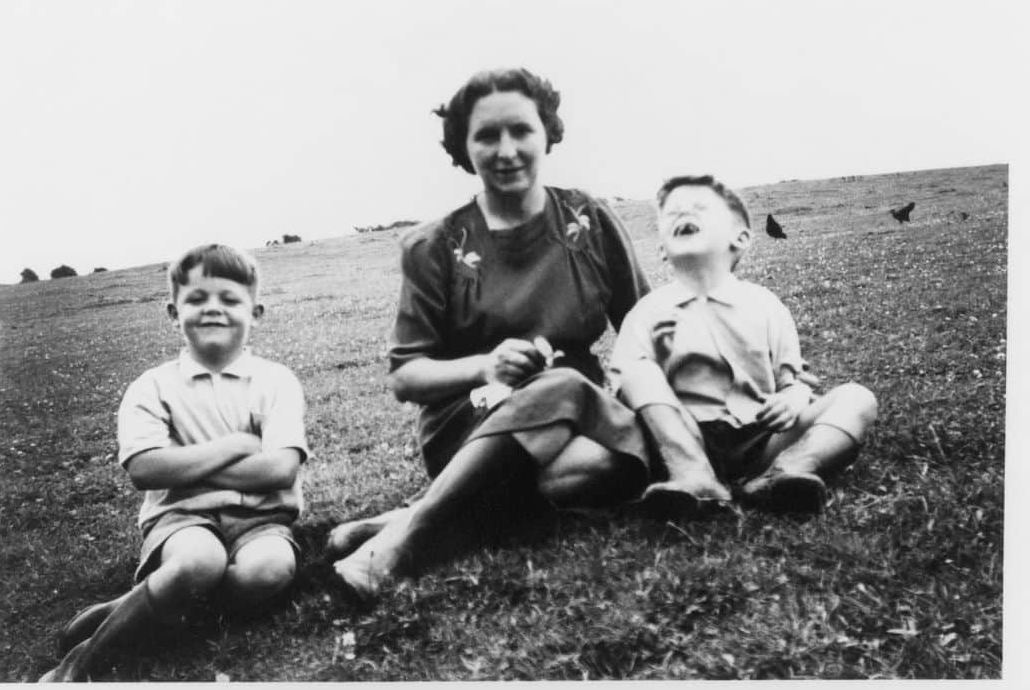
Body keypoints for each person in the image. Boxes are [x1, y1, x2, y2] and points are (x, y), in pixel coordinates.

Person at [329, 67, 652, 598]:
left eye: (521, 130)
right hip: (470, 424)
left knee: (606, 464)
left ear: (547, 132)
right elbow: (407, 377)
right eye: (486, 135)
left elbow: (641, 331)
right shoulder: (433, 245)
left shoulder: (590, 219)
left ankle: (410, 517)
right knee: (564, 386)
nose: (506, 150)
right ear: (464, 147)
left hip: (582, 418)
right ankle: (406, 542)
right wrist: (487, 365)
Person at [40, 244, 308, 681]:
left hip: (262, 517)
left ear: (256, 312)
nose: (213, 310)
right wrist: (236, 446)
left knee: (269, 570)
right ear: (172, 311)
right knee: (200, 562)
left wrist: (182, 464)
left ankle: (139, 604)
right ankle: (84, 665)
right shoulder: (152, 387)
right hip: (182, 518)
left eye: (230, 299)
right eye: (197, 299)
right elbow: (145, 469)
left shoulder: (275, 381)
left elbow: (280, 470)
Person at [611, 175, 878, 515]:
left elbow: (791, 379)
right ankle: (694, 477)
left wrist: (792, 398)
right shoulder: (647, 311)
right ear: (662, 249)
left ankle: (786, 472)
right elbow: (625, 388)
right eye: (672, 213)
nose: (683, 214)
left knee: (858, 398)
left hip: (762, 438)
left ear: (740, 238)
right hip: (685, 438)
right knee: (637, 371)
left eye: (700, 208)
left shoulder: (766, 304)